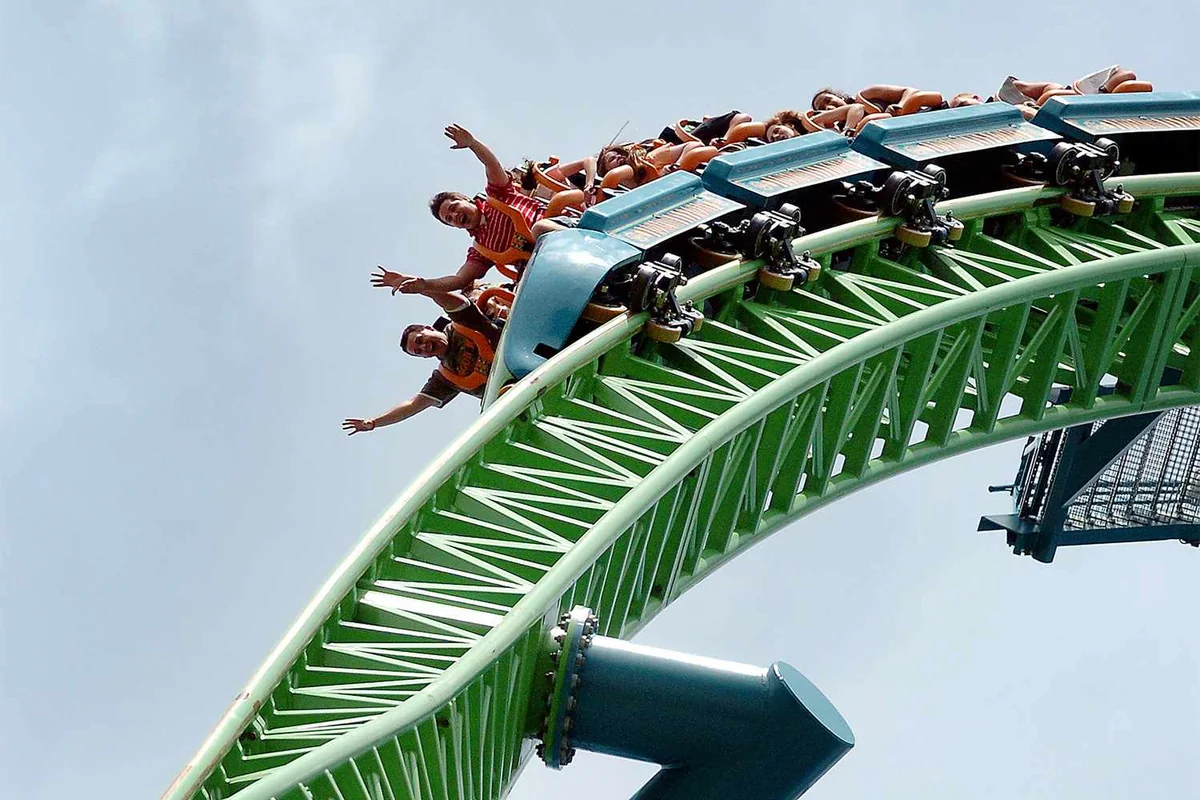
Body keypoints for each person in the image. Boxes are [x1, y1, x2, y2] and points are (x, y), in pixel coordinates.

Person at [394, 124, 565, 298]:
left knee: (539, 229)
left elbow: (491, 164)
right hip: (540, 270)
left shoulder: (497, 195)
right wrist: (425, 284)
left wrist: (472, 144)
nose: (454, 216)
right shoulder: (481, 249)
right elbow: (459, 279)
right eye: (449, 219)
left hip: (560, 231)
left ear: (466, 199)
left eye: (453, 208)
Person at [342, 278, 503, 434]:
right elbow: (413, 405)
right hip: (509, 388)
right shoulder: (445, 377)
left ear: (428, 328)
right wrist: (374, 422)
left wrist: (424, 288)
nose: (424, 347)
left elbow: (450, 302)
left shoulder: (460, 322)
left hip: (518, 349)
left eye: (420, 339)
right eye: (419, 351)